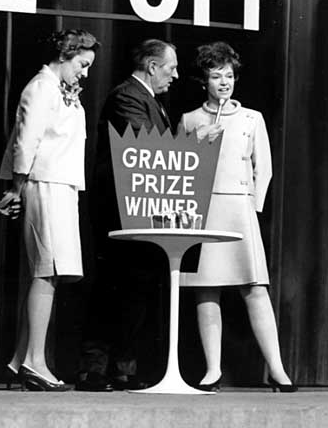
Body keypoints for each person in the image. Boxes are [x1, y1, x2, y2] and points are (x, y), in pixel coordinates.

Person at [77, 39, 221, 392]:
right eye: (170, 68)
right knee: (115, 288)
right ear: (152, 66)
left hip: (143, 211)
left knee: (136, 289)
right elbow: (145, 147)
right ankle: (94, 369)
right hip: (118, 210)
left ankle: (123, 368)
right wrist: (196, 137)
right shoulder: (126, 96)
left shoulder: (152, 100)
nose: (174, 76)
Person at [179, 41, 297, 392]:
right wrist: (197, 140)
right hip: (204, 212)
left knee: (254, 288)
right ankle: (212, 370)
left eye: (229, 75)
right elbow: (180, 169)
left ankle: (277, 369)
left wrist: (251, 207)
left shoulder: (251, 118)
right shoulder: (190, 120)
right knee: (205, 289)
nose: (224, 82)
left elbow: (266, 170)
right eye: (216, 76)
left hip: (239, 210)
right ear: (204, 81)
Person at [0, 29, 100, 391]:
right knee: (47, 272)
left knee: (46, 274)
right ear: (66, 54)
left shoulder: (62, 90)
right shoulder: (41, 86)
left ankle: (20, 359)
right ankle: (35, 362)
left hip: (62, 186)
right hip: (45, 185)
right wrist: (16, 187)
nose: (85, 73)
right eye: (82, 64)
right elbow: (25, 141)